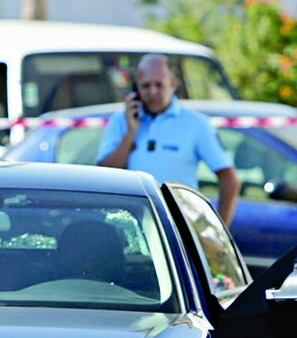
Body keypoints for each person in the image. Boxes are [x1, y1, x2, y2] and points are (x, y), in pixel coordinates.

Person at [96, 53, 240, 224]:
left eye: (159, 85)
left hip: (179, 226)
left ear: (173, 84)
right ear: (136, 89)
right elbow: (105, 174)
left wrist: (219, 231)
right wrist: (130, 133)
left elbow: (229, 178)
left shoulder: (196, 124)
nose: (152, 92)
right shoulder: (121, 120)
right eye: (145, 86)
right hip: (131, 225)